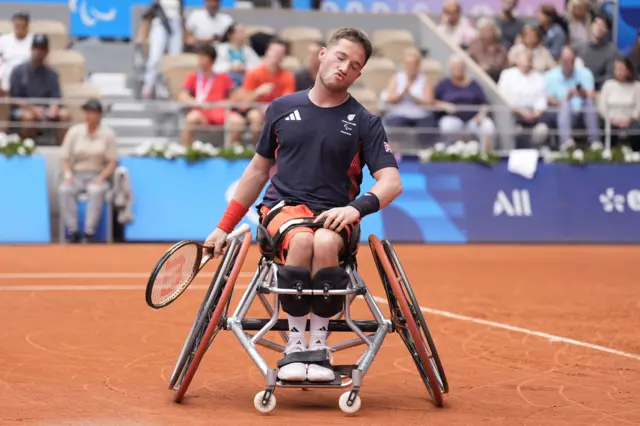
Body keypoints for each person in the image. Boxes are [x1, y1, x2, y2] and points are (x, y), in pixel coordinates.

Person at [203, 28, 402, 383]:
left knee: (324, 240)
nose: (344, 68)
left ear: (358, 75)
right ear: (323, 55)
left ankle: (319, 348)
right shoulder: (281, 108)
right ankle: (295, 345)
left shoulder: (365, 122)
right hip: (284, 209)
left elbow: (392, 183)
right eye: (341, 57)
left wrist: (356, 208)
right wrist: (223, 226)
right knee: (304, 240)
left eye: (354, 65)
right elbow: (257, 171)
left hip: (336, 214)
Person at [59, 99, 118, 243]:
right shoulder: (74, 132)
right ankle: (72, 230)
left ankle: (89, 231)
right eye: (87, 112)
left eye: (92, 112)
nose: (89, 115)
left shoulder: (108, 134)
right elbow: (64, 157)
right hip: (77, 174)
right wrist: (68, 175)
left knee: (95, 190)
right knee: (64, 190)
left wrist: (101, 177)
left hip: (97, 175)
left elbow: (112, 161)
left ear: (99, 114)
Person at [9, 33, 70, 143]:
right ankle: (28, 150)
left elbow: (55, 97)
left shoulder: (52, 74)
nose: (38, 52)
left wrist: (53, 108)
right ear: (31, 49)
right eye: (36, 48)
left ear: (47, 51)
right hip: (24, 109)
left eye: (42, 49)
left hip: (45, 110)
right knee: (28, 118)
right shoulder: (18, 71)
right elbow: (15, 99)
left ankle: (61, 150)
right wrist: (33, 109)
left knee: (64, 115)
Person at [179, 43, 237, 146]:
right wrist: (197, 103)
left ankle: (227, 151)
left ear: (212, 59)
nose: (200, 60)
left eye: (203, 57)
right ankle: (187, 151)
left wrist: (220, 103)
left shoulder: (224, 77)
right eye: (199, 57)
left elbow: (234, 98)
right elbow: (183, 96)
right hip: (201, 112)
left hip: (220, 112)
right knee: (191, 118)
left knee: (238, 121)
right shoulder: (192, 77)